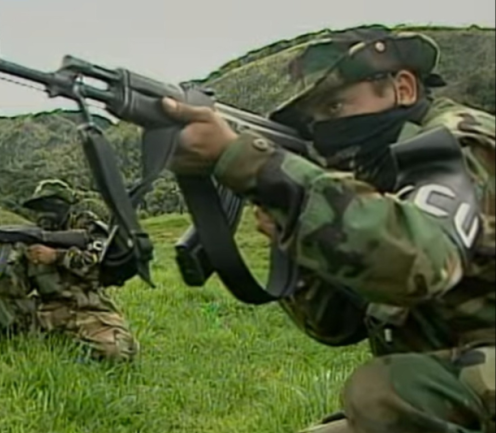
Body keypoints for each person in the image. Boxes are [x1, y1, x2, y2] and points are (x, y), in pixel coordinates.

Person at [161, 26, 495, 433]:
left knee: (386, 391)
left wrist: (258, 167)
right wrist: (294, 228)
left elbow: (421, 260)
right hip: (462, 390)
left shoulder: (460, 141)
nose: (325, 130)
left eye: (335, 107)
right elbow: (335, 325)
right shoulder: (379, 172)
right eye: (315, 120)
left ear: (403, 88)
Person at [0, 179, 138, 362]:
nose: (43, 214)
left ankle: (74, 351)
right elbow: (13, 288)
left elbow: (104, 268)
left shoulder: (88, 230)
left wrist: (57, 256)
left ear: (64, 206)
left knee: (118, 351)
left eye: (49, 205)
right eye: (38, 208)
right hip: (46, 314)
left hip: (89, 311)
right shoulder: (31, 240)